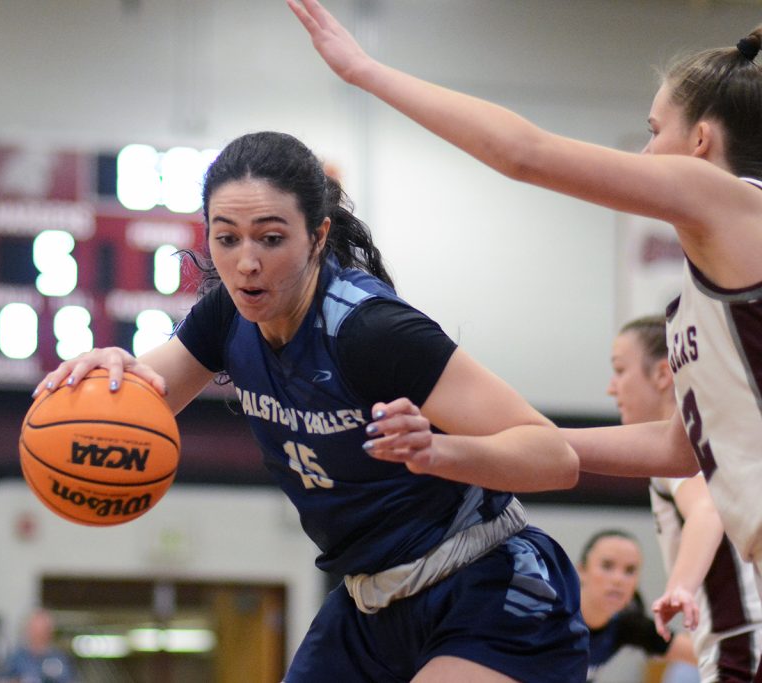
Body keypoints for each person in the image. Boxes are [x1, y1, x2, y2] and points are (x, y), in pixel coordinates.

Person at [37, 130, 589, 681]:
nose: (246, 263)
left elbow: (554, 457)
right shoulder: (227, 317)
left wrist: (439, 452)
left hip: (485, 581)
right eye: (226, 239)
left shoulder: (371, 331)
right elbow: (141, 402)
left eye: (270, 239)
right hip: (370, 605)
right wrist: (110, 374)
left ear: (318, 236)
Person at [287, 0, 762, 602]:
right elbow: (678, 449)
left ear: (700, 140)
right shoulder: (707, 289)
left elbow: (523, 153)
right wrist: (505, 445)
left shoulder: (725, 198)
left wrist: (365, 71)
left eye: (652, 131)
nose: (644, 154)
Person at [609, 316, 762, 681]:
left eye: (620, 370)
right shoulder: (717, 436)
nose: (611, 388)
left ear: (664, 374)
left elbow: (707, 511)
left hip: (740, 645)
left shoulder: (682, 452)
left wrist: (680, 587)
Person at [578, 529, 697, 682]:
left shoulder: (627, 624)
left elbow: (709, 655)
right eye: (607, 566)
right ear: (581, 571)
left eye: (630, 570)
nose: (618, 579)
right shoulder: (552, 616)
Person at [0, 608, 78, 683]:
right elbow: (1, 678)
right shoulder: (16, 658)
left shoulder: (60, 658)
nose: (39, 634)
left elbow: (69, 678)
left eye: (43, 629)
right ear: (28, 630)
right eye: (35, 629)